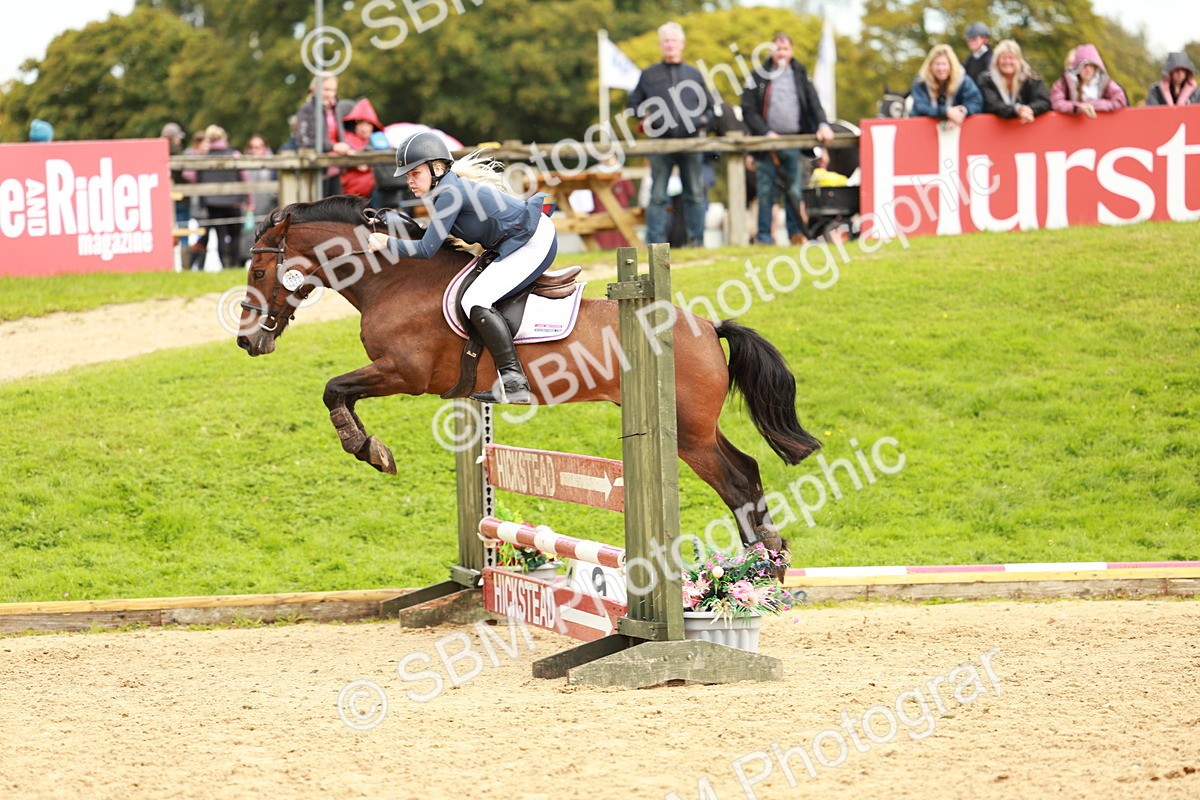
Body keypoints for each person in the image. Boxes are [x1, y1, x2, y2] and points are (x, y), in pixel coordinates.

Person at [366, 132, 555, 405]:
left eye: (415, 173)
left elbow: (427, 250)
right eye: (407, 175)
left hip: (534, 241)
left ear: (437, 168)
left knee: (475, 300)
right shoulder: (444, 192)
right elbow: (433, 237)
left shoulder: (449, 194)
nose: (409, 181)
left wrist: (387, 242)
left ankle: (514, 383)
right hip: (518, 240)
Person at [626, 21, 716, 247]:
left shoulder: (694, 75)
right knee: (657, 196)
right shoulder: (648, 75)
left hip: (691, 143)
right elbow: (633, 105)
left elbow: (711, 108)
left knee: (695, 195)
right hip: (660, 143)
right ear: (660, 44)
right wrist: (643, 117)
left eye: (674, 40)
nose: (670, 45)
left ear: (682, 44)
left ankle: (697, 243)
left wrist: (701, 122)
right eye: (666, 40)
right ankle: (654, 244)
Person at [741, 32, 833, 245]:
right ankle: (764, 237)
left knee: (793, 190)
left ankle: (796, 234)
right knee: (766, 191)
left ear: (791, 51)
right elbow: (748, 109)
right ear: (771, 51)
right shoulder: (758, 76)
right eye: (777, 48)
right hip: (766, 144)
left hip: (794, 142)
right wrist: (765, 132)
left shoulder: (800, 74)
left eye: (785, 49)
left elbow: (814, 104)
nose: (781, 53)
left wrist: (822, 124)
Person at [196, 125, 243, 269]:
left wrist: (199, 153)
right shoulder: (234, 154)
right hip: (233, 201)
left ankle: (225, 266)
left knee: (220, 235)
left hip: (212, 202)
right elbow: (244, 176)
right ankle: (234, 264)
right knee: (235, 234)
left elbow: (189, 174)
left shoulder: (203, 156)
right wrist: (248, 199)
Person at [295, 76, 351, 194]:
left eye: (333, 90)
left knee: (335, 208)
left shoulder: (335, 109)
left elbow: (338, 135)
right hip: (316, 168)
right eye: (326, 89)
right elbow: (303, 141)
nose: (330, 94)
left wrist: (346, 148)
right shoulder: (306, 110)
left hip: (336, 168)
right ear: (315, 88)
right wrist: (332, 146)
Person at [910, 44, 983, 127]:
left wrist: (961, 112)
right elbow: (920, 107)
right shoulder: (921, 81)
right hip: (924, 128)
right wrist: (946, 112)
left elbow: (976, 101)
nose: (941, 69)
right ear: (930, 66)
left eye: (944, 64)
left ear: (951, 65)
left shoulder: (963, 80)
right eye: (937, 64)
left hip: (956, 130)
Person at [978, 40, 1051, 123]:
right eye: (1004, 58)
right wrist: (1017, 110)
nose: (1007, 62)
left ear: (1019, 60)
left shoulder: (1031, 77)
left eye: (1011, 58)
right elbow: (992, 104)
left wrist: (1030, 109)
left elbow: (1044, 101)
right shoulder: (987, 79)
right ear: (997, 61)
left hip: (1027, 128)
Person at [1050, 44, 1127, 118]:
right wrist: (1078, 107)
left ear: (1096, 67)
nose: (1088, 69)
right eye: (1084, 65)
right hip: (1072, 127)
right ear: (1077, 67)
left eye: (1091, 65)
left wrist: (1095, 105)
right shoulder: (1064, 82)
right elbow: (1056, 102)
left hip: (1100, 126)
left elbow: (1120, 100)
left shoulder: (1105, 82)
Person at [340, 98, 386, 199]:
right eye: (360, 123)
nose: (364, 128)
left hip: (376, 191)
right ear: (355, 125)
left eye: (368, 124)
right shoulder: (346, 140)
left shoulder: (379, 140)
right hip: (351, 194)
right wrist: (355, 161)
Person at [241, 134, 277, 260]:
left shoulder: (273, 166)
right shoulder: (243, 164)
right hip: (248, 208)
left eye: (258, 147)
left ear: (265, 148)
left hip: (268, 207)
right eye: (252, 147)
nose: (254, 150)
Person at [963, 22, 992, 87]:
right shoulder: (969, 59)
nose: (971, 42)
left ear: (985, 39)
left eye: (975, 39)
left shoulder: (990, 58)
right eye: (969, 39)